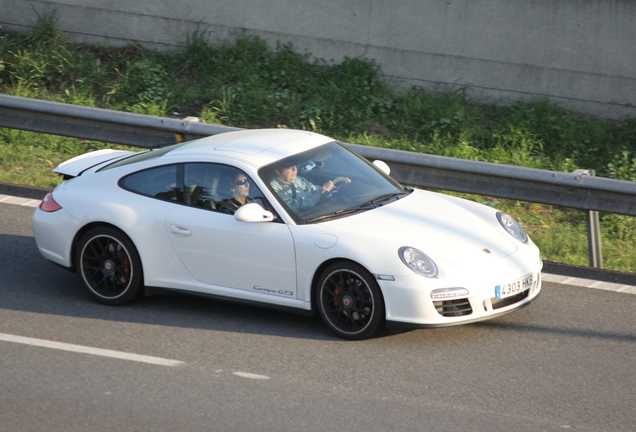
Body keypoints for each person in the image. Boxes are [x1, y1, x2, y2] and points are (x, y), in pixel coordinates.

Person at [269, 162, 336, 212]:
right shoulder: (273, 187)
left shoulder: (298, 179)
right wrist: (318, 195)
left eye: (295, 166)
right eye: (290, 167)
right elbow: (292, 207)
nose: (294, 169)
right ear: (277, 171)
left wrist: (332, 188)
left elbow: (314, 189)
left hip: (317, 209)